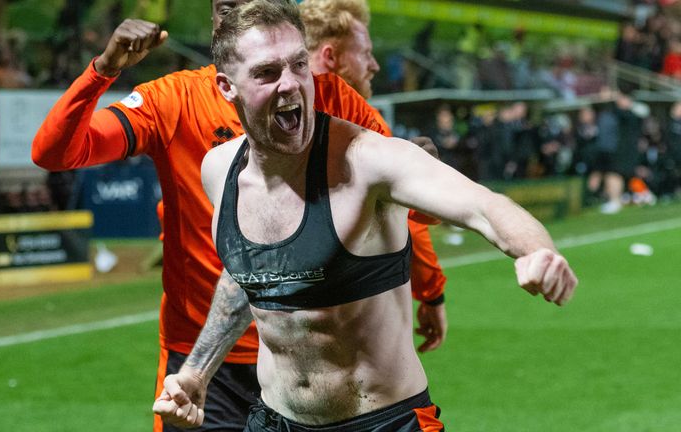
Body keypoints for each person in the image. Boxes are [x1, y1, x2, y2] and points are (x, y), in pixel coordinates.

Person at [153, 2, 578, 429]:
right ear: (227, 87)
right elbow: (246, 273)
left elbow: (484, 205)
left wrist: (535, 251)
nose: (290, 85)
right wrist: (196, 372)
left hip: (383, 422)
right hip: (274, 420)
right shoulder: (219, 170)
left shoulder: (368, 160)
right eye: (267, 73)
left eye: (299, 65)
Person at [32, 1, 444, 430]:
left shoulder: (328, 97)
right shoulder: (173, 100)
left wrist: (423, 182)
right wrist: (105, 67)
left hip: (309, 361)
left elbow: (409, 204)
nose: (233, 17)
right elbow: (55, 152)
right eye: (224, 7)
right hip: (202, 360)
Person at [299, 0, 447, 351]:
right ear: (332, 56)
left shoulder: (262, 107)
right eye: (365, 53)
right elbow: (406, 216)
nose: (375, 65)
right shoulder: (356, 117)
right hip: (335, 323)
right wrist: (433, 293)